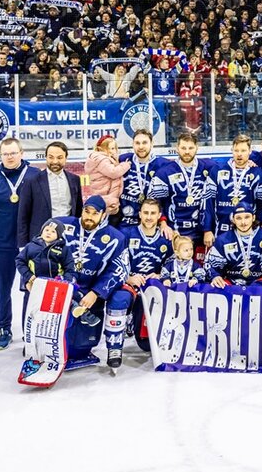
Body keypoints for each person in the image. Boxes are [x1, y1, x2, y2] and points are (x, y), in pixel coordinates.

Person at [0, 137, 39, 350]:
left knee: (32, 287)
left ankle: (30, 330)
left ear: (21, 153)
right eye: (5, 153)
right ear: (0, 155)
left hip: (30, 245)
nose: (9, 157)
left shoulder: (35, 175)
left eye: (13, 153)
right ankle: (4, 328)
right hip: (1, 244)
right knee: (1, 289)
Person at [58, 196, 132, 371]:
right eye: (86, 212)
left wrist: (96, 292)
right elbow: (41, 251)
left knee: (80, 347)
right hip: (62, 288)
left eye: (94, 214)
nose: (89, 217)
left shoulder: (116, 238)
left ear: (103, 215)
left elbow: (119, 269)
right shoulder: (63, 226)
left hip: (91, 292)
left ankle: (109, 348)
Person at [121, 198, 174, 352]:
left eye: (153, 213)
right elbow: (115, 262)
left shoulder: (166, 239)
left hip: (153, 289)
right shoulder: (126, 234)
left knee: (146, 346)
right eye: (145, 213)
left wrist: (161, 275)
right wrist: (128, 278)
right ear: (139, 214)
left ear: (159, 215)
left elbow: (171, 265)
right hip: (130, 286)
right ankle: (126, 322)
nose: (149, 217)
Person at [16, 142, 83, 247]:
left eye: (59, 157)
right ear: (46, 157)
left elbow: (78, 211)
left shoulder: (75, 179)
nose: (55, 161)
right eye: (51, 157)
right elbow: (23, 216)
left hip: (69, 238)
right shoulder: (32, 181)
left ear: (66, 158)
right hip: (40, 239)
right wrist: (23, 245)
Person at [117, 129, 173, 230]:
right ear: (133, 144)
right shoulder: (122, 160)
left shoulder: (163, 164)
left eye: (145, 142)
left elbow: (167, 197)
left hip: (151, 222)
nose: (141, 146)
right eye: (137, 143)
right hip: (124, 221)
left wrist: (163, 221)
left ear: (152, 144)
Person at [213, 134, 262, 234]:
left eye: (243, 151)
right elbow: (209, 202)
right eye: (236, 150)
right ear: (232, 150)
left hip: (248, 228)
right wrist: (207, 229)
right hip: (221, 228)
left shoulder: (258, 174)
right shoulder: (218, 170)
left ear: (250, 151)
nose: (239, 154)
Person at [204, 203, 262, 287]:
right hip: (232, 281)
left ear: (253, 218)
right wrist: (215, 276)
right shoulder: (223, 240)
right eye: (238, 218)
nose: (243, 222)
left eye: (247, 217)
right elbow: (210, 265)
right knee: (217, 286)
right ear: (233, 220)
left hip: (260, 281)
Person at [84, 135, 132, 220]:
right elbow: (113, 172)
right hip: (106, 196)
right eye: (111, 148)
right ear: (101, 149)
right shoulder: (102, 160)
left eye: (114, 148)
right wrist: (126, 165)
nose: (113, 151)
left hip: (106, 195)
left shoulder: (103, 159)